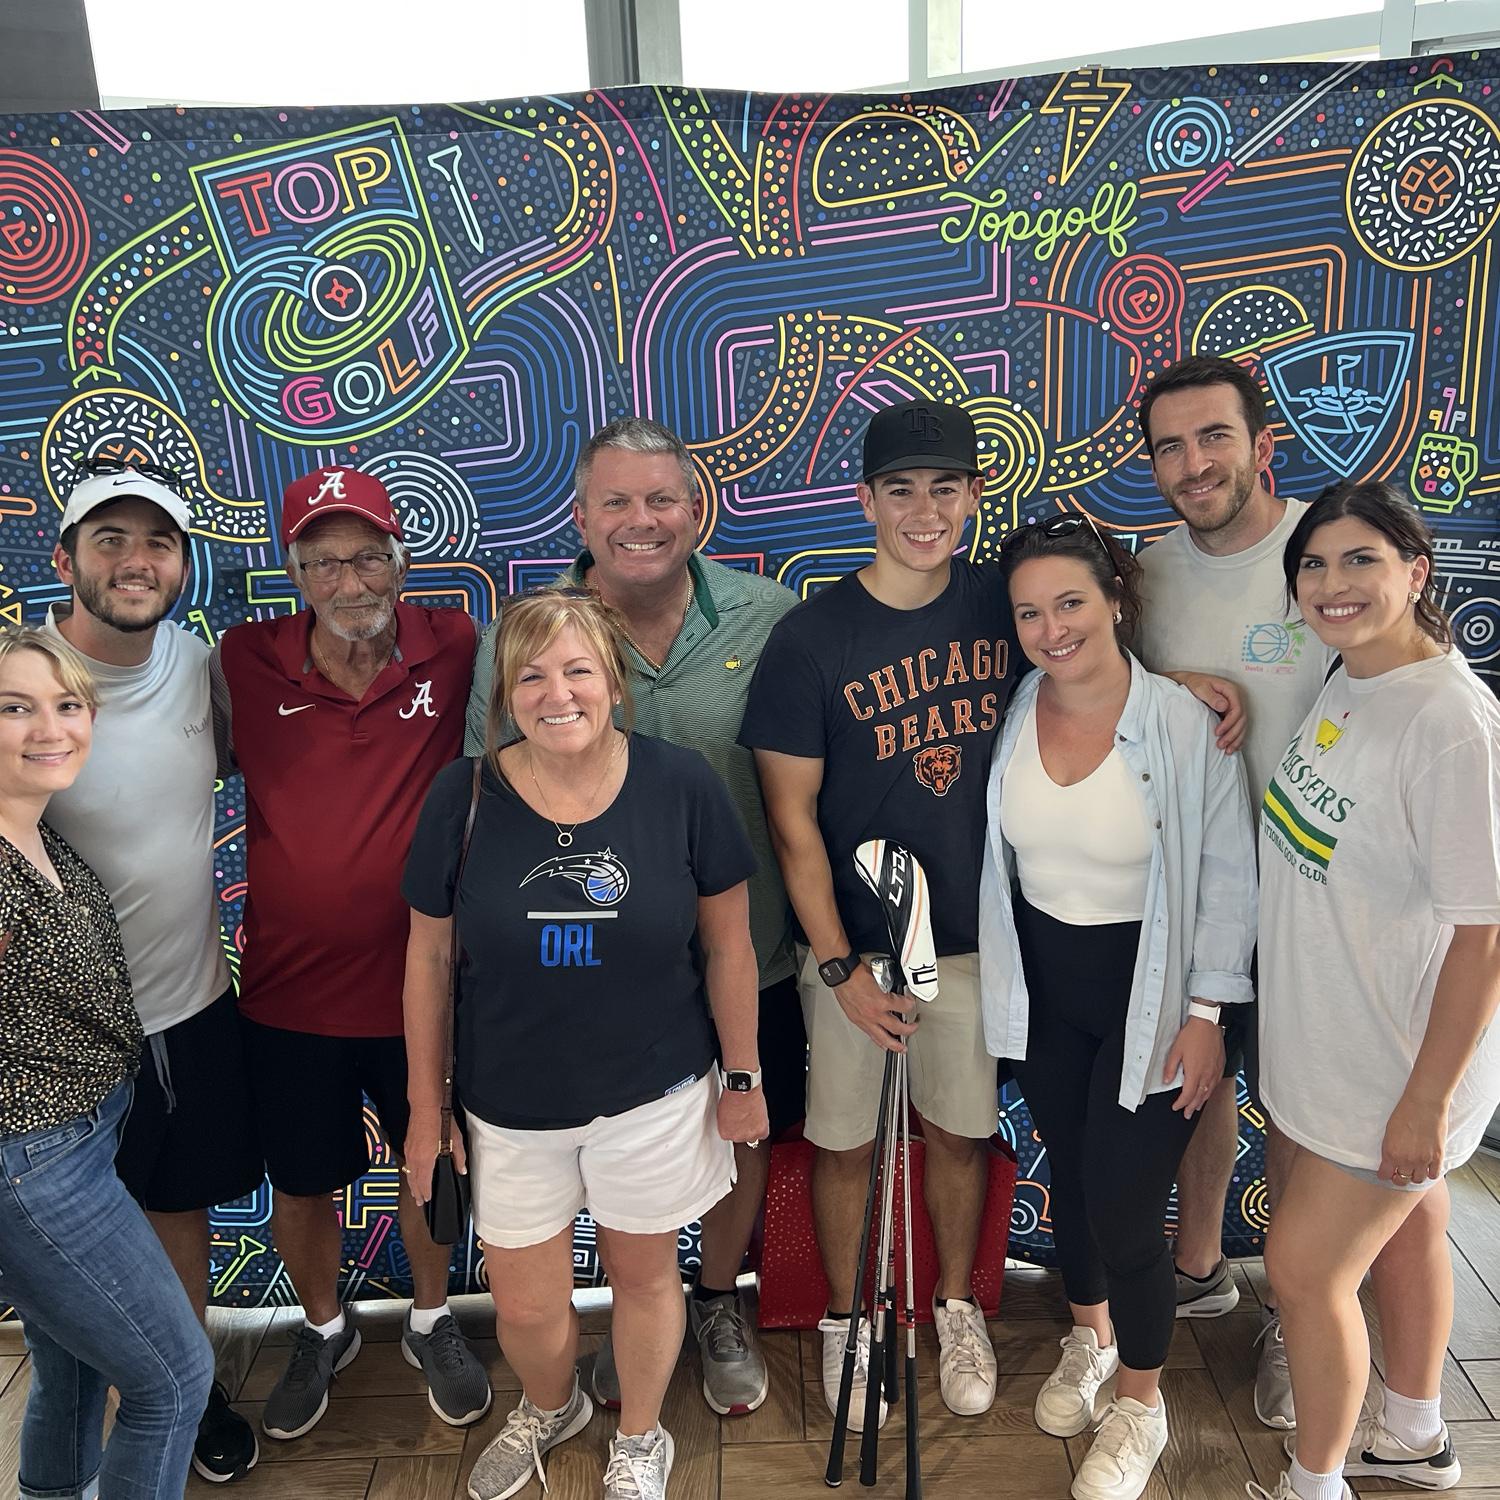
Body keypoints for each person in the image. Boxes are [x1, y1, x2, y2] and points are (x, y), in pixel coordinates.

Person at [464, 417, 802, 1418]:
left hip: (752, 952)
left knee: (741, 1132)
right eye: (615, 501)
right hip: (591, 981)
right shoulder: (523, 639)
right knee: (603, 1166)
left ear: (697, 510)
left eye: (661, 499)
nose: (640, 521)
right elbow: (492, 800)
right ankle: (630, 1323)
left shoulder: (772, 619)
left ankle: (716, 1300)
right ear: (580, 514)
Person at [404, 590, 767, 1500]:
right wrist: (424, 1112)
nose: (555, 692)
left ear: (613, 680)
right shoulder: (465, 794)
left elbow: (729, 942)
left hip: (652, 1091)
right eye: (530, 674)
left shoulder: (682, 783)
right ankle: (552, 1401)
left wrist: (743, 1074)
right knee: (527, 1304)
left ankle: (639, 1437)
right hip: (509, 1104)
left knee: (644, 1279)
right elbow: (429, 955)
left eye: (576, 670)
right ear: (504, 692)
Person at [741, 398, 1018, 1428]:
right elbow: (791, 820)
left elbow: (1098, 688)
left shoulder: (1009, 608)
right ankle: (849, 1322)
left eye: (946, 487)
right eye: (901, 489)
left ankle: (953, 1304)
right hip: (856, 948)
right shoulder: (811, 636)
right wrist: (838, 967)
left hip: (978, 943)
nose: (924, 509)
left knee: (957, 1133)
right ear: (865, 500)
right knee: (847, 1144)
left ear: (975, 496)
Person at [980, 516, 1257, 1500]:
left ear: (1114, 600)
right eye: (1029, 612)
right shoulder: (1017, 703)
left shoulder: (1182, 724)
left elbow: (1230, 873)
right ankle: (1090, 1338)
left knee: (1130, 1211)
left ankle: (1142, 1401)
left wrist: (1209, 1013)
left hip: (1151, 996)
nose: (1052, 628)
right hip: (1051, 996)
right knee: (1081, 1188)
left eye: (1070, 603)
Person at [211, 467, 488, 1440]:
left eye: (370, 555)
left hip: (429, 992)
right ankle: (322, 1327)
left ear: (399, 559)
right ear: (295, 572)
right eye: (327, 562)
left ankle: (428, 1317)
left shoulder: (454, 644)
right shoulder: (242, 661)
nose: (353, 581)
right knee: (301, 1184)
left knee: (431, 1168)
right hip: (289, 994)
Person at [1250, 481, 1500, 1500]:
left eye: (1361, 560)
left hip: (1397, 1070)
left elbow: (1485, 938)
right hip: (1333, 1042)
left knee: (1306, 1276)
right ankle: (1413, 1431)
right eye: (1314, 564)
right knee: (1418, 1224)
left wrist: (1427, 1105)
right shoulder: (1350, 678)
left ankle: (1315, 1485)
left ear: (1416, 570)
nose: (1333, 583)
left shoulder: (1452, 724)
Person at [43, 461, 263, 1483]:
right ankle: (101, 1425)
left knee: (180, 1210)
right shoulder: (24, 688)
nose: (136, 562)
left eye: (158, 543)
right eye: (111, 540)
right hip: (65, 1046)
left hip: (192, 1007)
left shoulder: (196, 666)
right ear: (65, 558)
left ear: (182, 564)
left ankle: (192, 1387)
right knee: (75, 1259)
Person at [1136, 355, 1334, 1428]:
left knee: (1301, 1116)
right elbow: (1098, 686)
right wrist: (1169, 682)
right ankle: (1202, 1266)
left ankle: (1299, 1324)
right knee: (1195, 1089)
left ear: (1264, 442)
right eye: (1170, 445)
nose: (1192, 463)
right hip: (1192, 896)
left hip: (1318, 903)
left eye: (1213, 437)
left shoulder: (1326, 551)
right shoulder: (1149, 577)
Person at [0, 624, 214, 1500]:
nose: (50, 727)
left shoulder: (44, 831)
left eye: (67, 706)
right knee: (173, 1381)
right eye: (16, 707)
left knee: (77, 1370)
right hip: (36, 1167)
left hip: (90, 1136)